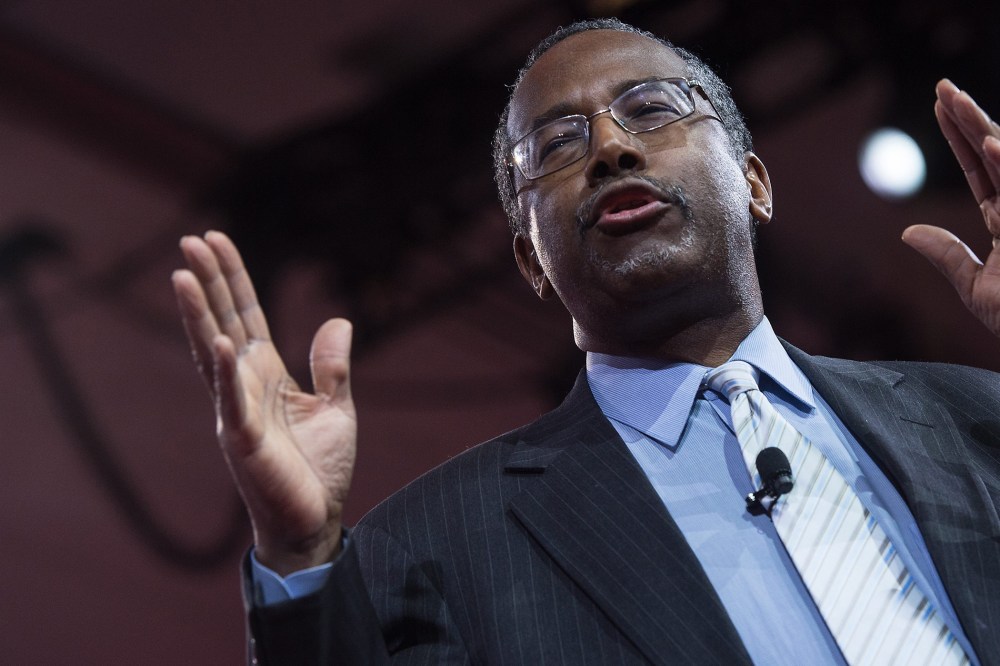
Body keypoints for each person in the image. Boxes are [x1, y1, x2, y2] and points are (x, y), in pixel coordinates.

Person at [172, 18, 1000, 665]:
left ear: (755, 183)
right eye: (557, 147)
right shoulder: (436, 544)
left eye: (650, 109)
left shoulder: (973, 417)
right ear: (531, 258)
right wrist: (302, 557)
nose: (611, 147)